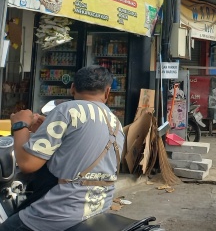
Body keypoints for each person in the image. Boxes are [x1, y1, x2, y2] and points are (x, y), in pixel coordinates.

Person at [2, 65, 125, 231]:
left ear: (72, 88)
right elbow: (78, 147)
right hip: (98, 209)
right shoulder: (116, 123)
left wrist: (20, 124)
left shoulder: (66, 110)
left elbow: (27, 164)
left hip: (59, 213)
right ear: (108, 92)